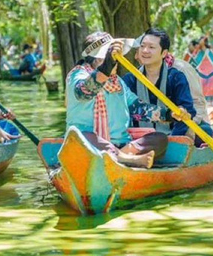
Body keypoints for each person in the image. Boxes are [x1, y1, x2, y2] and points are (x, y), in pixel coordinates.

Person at [66, 32, 169, 168]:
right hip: (92, 144)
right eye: (108, 58)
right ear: (94, 59)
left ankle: (121, 156)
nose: (115, 61)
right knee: (82, 137)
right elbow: (85, 91)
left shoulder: (117, 82)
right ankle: (125, 159)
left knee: (160, 139)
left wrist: (168, 115)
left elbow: (137, 108)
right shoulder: (78, 74)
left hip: (122, 144)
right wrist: (106, 67)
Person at [123, 28, 202, 141]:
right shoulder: (129, 79)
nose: (145, 50)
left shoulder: (176, 77)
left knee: (204, 131)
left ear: (164, 53)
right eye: (142, 46)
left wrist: (172, 140)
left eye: (151, 47)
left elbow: (187, 112)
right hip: (137, 139)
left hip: (172, 137)